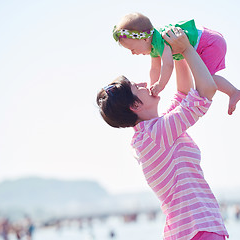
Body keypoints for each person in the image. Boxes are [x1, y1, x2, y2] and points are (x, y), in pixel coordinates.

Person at [97, 27, 228, 240]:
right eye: (135, 87)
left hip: (193, 229)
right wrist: (186, 48)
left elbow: (183, 95)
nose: (142, 83)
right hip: (197, 229)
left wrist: (175, 51)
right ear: (134, 106)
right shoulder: (153, 135)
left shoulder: (150, 133)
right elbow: (206, 92)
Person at [113, 12, 240, 115]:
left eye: (133, 49)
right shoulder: (153, 47)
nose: (133, 53)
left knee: (207, 80)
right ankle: (233, 92)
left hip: (209, 44)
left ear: (145, 39)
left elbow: (168, 65)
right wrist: (152, 87)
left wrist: (160, 85)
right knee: (204, 80)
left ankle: (233, 92)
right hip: (208, 41)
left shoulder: (159, 40)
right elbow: (155, 69)